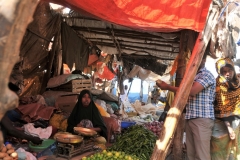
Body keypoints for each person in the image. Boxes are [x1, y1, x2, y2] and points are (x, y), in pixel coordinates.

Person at [156, 50, 216, 160]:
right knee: (191, 154)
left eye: (197, 58)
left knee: (202, 155)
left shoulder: (206, 75)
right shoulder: (193, 76)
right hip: (191, 118)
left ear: (203, 60)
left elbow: (192, 91)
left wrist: (168, 87)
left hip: (202, 119)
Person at [211, 58, 240, 159]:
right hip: (220, 124)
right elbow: (221, 107)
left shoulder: (237, 83)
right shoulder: (218, 85)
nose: (227, 73)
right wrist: (229, 127)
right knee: (219, 150)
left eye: (230, 70)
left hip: (236, 123)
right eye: (224, 71)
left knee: (233, 150)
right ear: (220, 72)